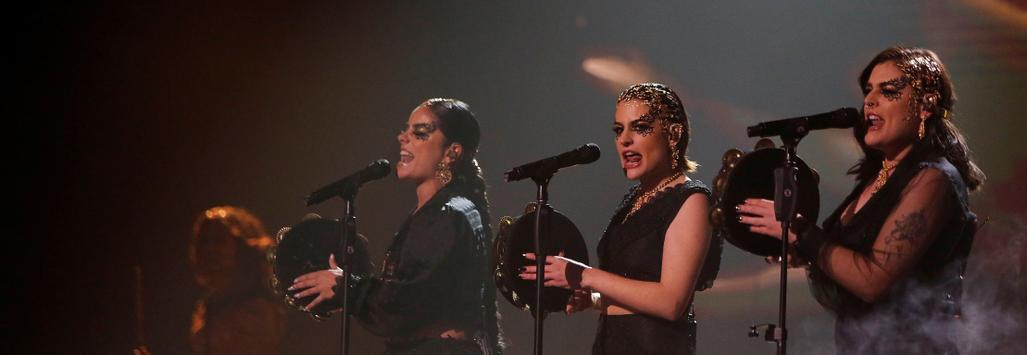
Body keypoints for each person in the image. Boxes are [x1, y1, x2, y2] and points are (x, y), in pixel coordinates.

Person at [738, 46, 984, 354]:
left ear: (926, 105)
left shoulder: (934, 179)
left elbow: (873, 280)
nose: (869, 100)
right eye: (868, 91)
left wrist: (802, 232)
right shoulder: (878, 177)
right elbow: (851, 267)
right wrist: (805, 253)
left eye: (888, 90)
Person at [290, 98, 504, 355]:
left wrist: (348, 287)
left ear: (452, 152)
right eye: (406, 130)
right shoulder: (442, 211)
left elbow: (410, 300)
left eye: (420, 133)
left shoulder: (449, 215)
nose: (403, 137)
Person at [522, 82, 722, 355]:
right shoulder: (634, 200)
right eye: (619, 130)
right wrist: (592, 300)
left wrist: (584, 275)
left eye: (639, 127)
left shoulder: (692, 201)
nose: (625, 140)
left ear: (673, 134)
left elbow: (671, 302)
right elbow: (633, 293)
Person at [189, 205, 286, 355]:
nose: (208, 249)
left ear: (241, 248)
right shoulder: (211, 304)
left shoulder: (255, 310)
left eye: (218, 241)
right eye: (204, 241)